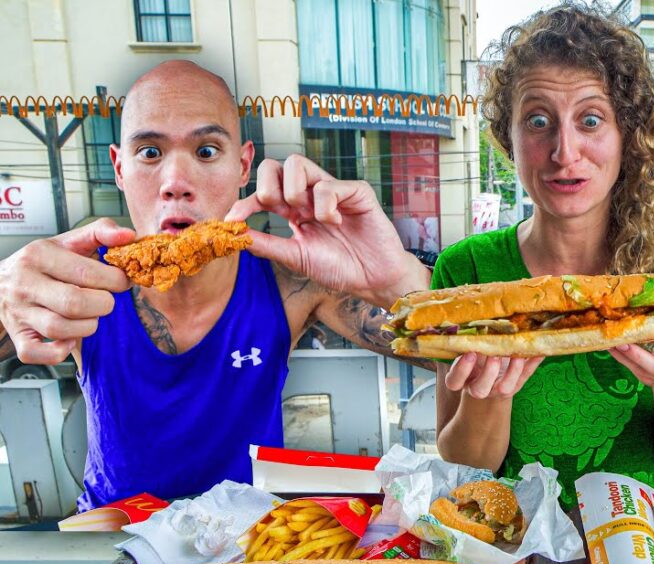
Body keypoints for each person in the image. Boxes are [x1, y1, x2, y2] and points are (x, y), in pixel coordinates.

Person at [0, 60, 431, 511]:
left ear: (243, 165)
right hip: (112, 539)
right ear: (119, 169)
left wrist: (394, 280)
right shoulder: (80, 281)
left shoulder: (291, 283)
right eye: (150, 152)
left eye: (206, 151)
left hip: (247, 544)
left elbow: (469, 354)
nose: (175, 184)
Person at [433, 5, 654, 506]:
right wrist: (492, 396)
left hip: (650, 561)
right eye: (538, 121)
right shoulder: (465, 273)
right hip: (514, 556)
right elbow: (463, 472)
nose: (564, 151)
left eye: (590, 120)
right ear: (509, 137)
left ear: (627, 138)